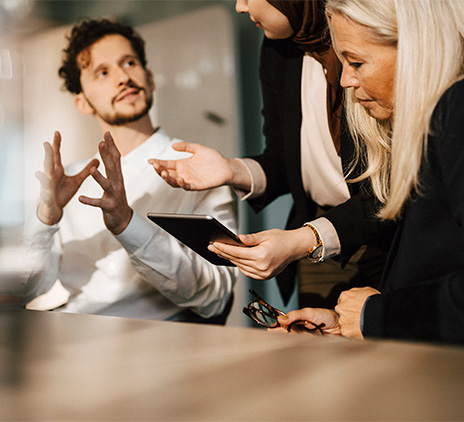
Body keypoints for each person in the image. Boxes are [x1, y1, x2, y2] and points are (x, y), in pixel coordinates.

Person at [150, 0, 389, 308]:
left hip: (386, 231)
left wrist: (303, 240)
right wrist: (232, 170)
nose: (240, 6)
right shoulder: (277, 49)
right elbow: (284, 157)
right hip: (317, 229)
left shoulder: (367, 42)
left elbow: (395, 187)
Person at [23, 18, 238, 323]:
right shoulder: (66, 185)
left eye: (129, 63)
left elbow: (215, 297)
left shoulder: (201, 168)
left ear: (149, 79)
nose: (123, 77)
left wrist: (128, 224)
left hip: (159, 351)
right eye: (103, 72)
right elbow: (26, 291)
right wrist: (45, 220)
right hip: (73, 343)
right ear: (82, 103)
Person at [276, 0, 464, 344]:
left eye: (356, 62)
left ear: (415, 46)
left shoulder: (456, 111)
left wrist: (376, 315)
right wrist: (348, 322)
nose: (346, 79)